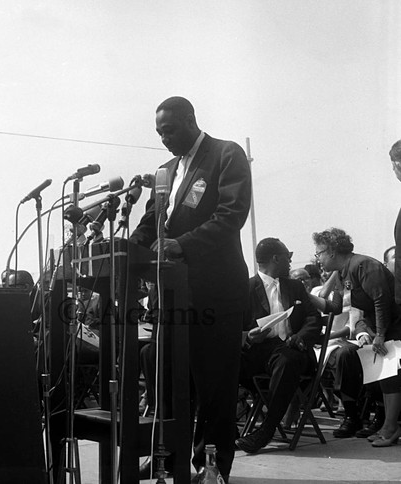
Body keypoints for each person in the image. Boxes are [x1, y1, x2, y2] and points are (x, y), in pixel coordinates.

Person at [130, 96, 251, 482]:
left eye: (170, 130)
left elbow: (231, 215)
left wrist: (185, 244)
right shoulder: (165, 171)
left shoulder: (225, 155)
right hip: (172, 297)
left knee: (214, 387)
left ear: (190, 120)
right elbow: (151, 222)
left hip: (216, 294)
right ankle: (168, 455)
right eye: (159, 133)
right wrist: (124, 251)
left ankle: (213, 467)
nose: (164, 139)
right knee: (168, 381)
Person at [313, 227, 401, 446]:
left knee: (391, 379)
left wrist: (379, 334)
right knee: (384, 379)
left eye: (319, 253)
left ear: (332, 251)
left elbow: (381, 300)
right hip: (380, 328)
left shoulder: (364, 265)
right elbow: (334, 306)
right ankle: (387, 427)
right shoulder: (344, 272)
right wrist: (306, 296)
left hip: (394, 326)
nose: (318, 259)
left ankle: (391, 428)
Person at [234, 238, 322, 453]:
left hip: (291, 349)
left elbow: (313, 318)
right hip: (258, 350)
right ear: (275, 258)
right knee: (221, 362)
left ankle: (266, 430)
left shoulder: (295, 286)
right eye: (287, 257)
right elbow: (234, 325)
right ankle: (228, 428)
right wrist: (247, 335)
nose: (290, 261)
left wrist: (300, 336)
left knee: (287, 361)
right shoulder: (245, 288)